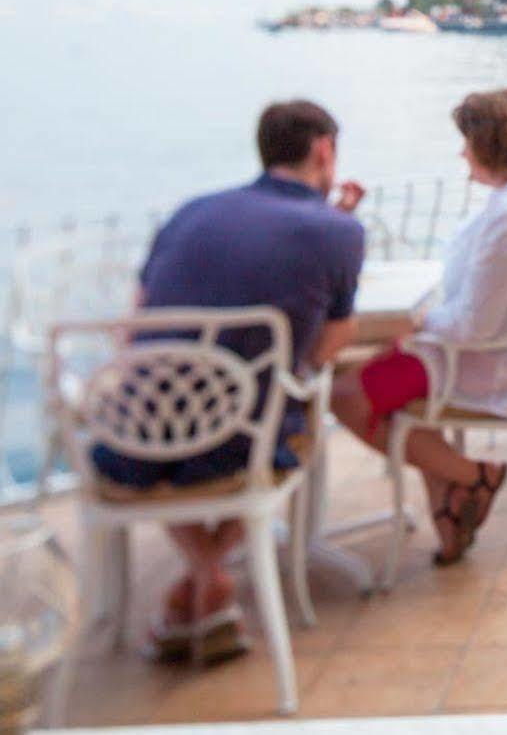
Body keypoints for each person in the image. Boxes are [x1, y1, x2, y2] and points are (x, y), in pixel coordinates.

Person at [95, 100, 366, 663]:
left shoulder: (193, 211)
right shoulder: (339, 231)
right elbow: (325, 348)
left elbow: (136, 321)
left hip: (136, 441)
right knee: (288, 409)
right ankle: (213, 574)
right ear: (324, 151)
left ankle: (202, 580)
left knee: (192, 415)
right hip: (247, 442)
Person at [331, 88, 507, 565]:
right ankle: (450, 503)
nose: (461, 152)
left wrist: (414, 326)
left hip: (497, 362)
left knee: (347, 393)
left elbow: (474, 327)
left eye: (467, 141)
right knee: (370, 366)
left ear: (492, 145)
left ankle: (472, 474)